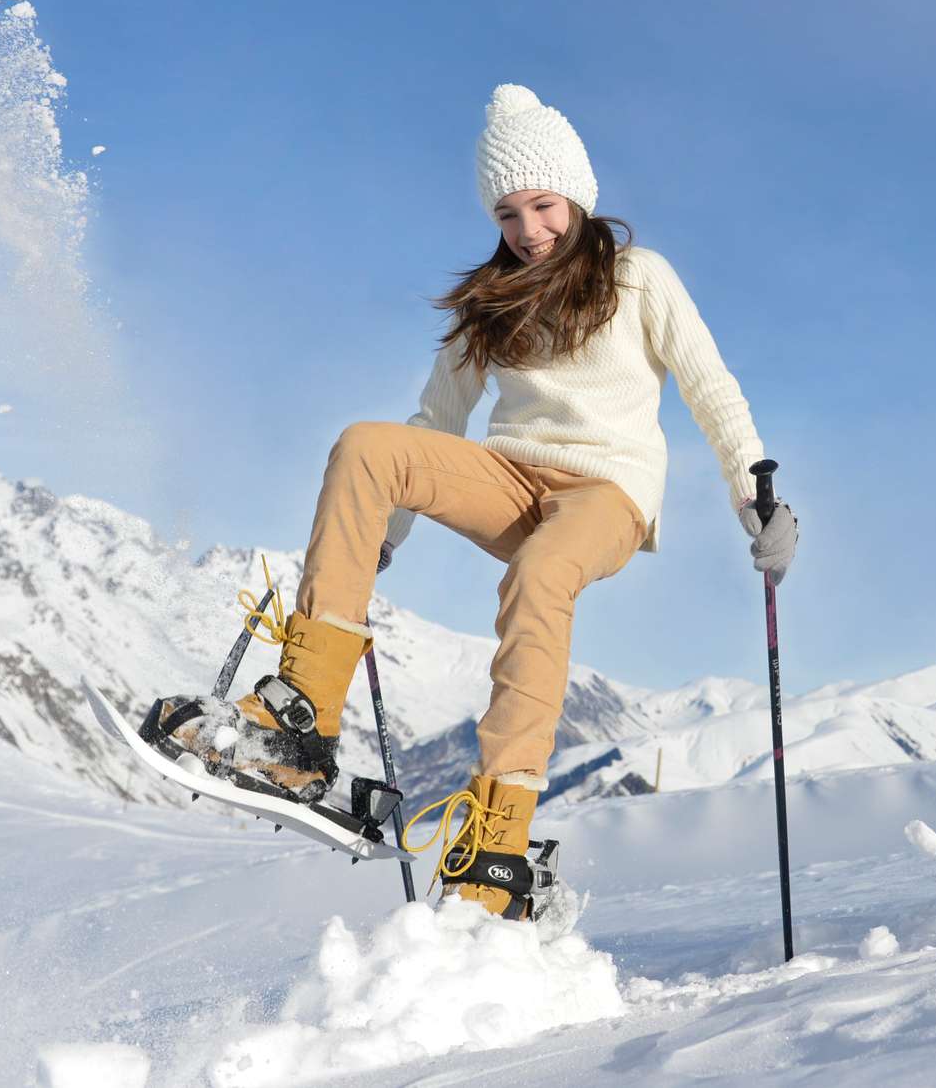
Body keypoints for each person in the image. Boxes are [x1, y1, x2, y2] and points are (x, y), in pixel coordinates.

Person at [148, 83, 798, 918]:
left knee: (543, 572)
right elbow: (438, 420)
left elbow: (713, 391)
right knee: (366, 444)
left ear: (576, 195)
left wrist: (757, 500)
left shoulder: (640, 279)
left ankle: (498, 834)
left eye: (542, 205)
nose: (529, 231)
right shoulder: (491, 304)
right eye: (507, 214)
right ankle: (299, 726)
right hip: (512, 482)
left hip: (608, 493)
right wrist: (384, 524)